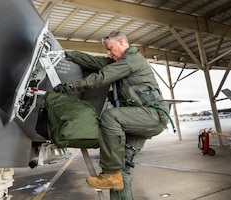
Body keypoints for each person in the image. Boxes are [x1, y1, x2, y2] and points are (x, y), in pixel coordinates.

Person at [55, 30, 169, 200]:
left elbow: (102, 77)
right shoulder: (120, 62)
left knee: (110, 117)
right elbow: (94, 62)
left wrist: (70, 86)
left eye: (110, 48)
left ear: (121, 42)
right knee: (121, 170)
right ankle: (113, 176)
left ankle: (109, 173)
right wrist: (65, 54)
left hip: (152, 115)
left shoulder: (131, 60)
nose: (108, 53)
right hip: (138, 118)